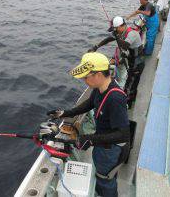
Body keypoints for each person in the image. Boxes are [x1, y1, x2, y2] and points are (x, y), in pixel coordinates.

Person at [47, 52, 130, 197]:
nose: (84, 80)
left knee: (106, 178)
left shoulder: (115, 98)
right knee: (101, 173)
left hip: (111, 149)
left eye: (86, 77)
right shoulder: (100, 87)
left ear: (98, 75)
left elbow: (123, 134)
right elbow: (89, 103)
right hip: (102, 142)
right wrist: (65, 113)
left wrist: (91, 139)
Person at [88, 16, 145, 107]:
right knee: (132, 83)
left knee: (130, 85)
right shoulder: (121, 33)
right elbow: (108, 39)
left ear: (119, 27)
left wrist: (117, 37)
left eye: (115, 29)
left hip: (137, 64)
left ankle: (126, 105)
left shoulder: (132, 34)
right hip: (132, 62)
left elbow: (125, 45)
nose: (115, 32)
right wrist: (96, 47)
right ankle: (131, 99)